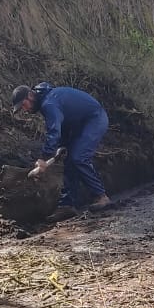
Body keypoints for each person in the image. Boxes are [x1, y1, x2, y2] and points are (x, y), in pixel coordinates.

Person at [11, 82, 112, 221]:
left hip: (95, 119)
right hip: (79, 124)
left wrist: (43, 158)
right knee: (70, 159)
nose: (25, 109)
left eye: (23, 105)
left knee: (78, 157)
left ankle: (101, 196)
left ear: (30, 95)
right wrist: (62, 146)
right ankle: (67, 206)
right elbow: (64, 123)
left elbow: (54, 131)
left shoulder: (48, 103)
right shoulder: (48, 100)